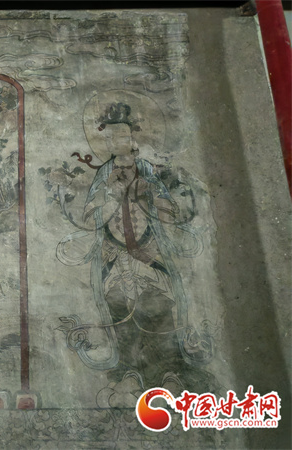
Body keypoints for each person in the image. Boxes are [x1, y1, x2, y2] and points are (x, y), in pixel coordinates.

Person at [58, 102, 214, 395]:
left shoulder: (147, 170)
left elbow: (168, 212)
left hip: (149, 253)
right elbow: (91, 217)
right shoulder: (104, 174)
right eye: (109, 138)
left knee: (159, 307)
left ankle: (168, 372)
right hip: (115, 256)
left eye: (121, 136)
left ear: (132, 139)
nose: (114, 142)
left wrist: (149, 194)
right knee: (119, 309)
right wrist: (111, 195)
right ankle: (129, 372)